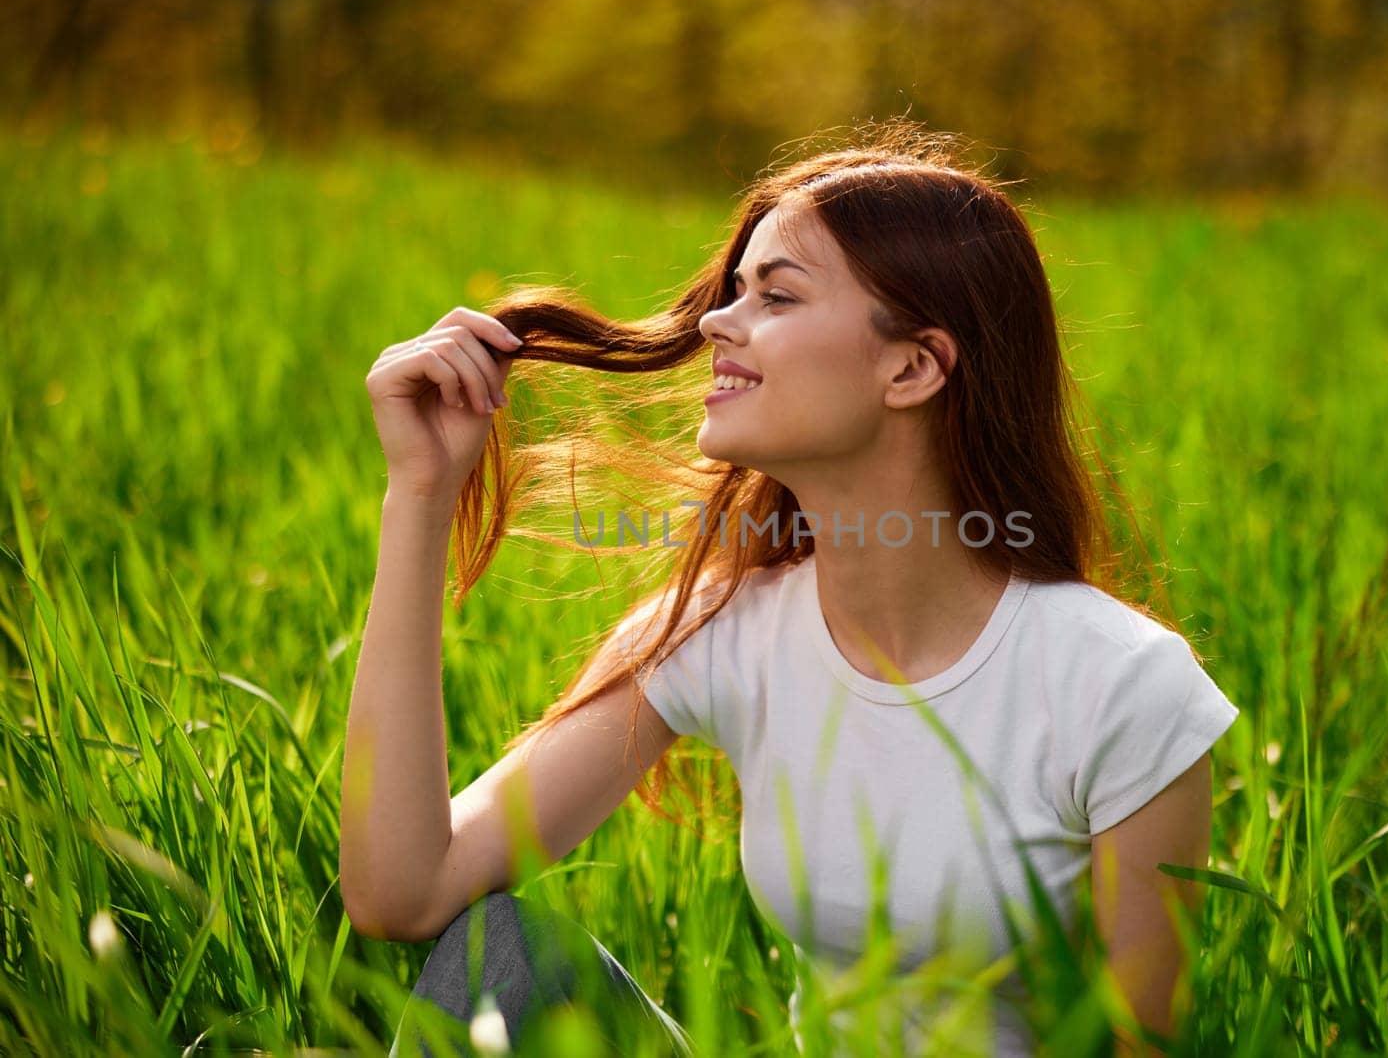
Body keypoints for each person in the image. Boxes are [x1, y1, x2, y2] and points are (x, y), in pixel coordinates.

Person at [341, 122, 1241, 1058]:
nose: (713, 324)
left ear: (912, 366)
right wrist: (420, 495)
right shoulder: (727, 630)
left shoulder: (1123, 685)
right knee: (503, 959)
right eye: (736, 291)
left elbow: (1145, 1044)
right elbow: (405, 891)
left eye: (776, 295)